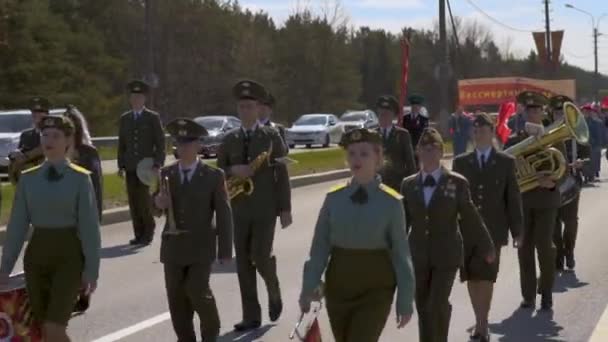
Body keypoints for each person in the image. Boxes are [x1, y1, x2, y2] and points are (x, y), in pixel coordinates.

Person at [299, 128, 414, 342]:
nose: (356, 159)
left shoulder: (392, 202)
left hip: (376, 289)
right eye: (351, 153)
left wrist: (405, 299)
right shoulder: (334, 199)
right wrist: (308, 286)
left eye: (364, 153)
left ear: (378, 157)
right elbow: (319, 248)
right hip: (339, 288)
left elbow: (401, 254)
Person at [0, 115, 101, 342]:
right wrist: (4, 268)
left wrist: (91, 271)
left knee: (54, 328)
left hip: (69, 261)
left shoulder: (79, 179)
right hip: (36, 260)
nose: (49, 140)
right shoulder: (28, 179)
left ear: (67, 141)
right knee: (43, 332)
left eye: (56, 136)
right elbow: (17, 227)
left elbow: (89, 229)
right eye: (45, 135)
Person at [401, 127, 495, 342]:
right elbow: (403, 222)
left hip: (447, 254)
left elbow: (470, 217)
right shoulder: (408, 185)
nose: (428, 152)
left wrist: (487, 246)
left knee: (436, 302)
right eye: (423, 148)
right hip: (418, 254)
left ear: (441, 152)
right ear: (418, 152)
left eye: (433, 148)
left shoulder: (457, 182)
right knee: (423, 304)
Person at [153, 118, 233, 342]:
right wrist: (158, 203)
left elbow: (224, 213)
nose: (183, 148)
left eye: (188, 143)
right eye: (179, 143)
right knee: (177, 301)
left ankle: (211, 330)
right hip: (173, 248)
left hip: (200, 247)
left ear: (198, 145)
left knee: (197, 290)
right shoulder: (166, 174)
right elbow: (156, 208)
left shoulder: (213, 176)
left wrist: (226, 250)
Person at [217, 79, 288, 331]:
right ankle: (251, 316)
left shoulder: (272, 136)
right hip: (238, 207)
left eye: (249, 106)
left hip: (265, 208)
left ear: (259, 108)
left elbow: (282, 174)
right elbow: (219, 171)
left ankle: (273, 286)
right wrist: (232, 169)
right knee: (243, 263)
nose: (245, 110)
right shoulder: (229, 139)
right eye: (241, 106)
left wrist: (285, 208)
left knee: (259, 255)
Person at [452, 113, 523, 342]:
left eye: (484, 129)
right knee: (472, 277)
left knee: (487, 276)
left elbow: (512, 198)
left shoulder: (505, 162)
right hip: (467, 230)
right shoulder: (461, 162)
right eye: (476, 130)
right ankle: (479, 318)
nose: (479, 133)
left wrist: (518, 231)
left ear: (492, 132)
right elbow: (454, 199)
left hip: (493, 230)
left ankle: (482, 324)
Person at [505, 91, 567, 310]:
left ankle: (547, 292)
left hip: (546, 201)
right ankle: (529, 295)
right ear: (524, 112)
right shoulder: (514, 140)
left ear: (543, 112)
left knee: (545, 247)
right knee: (524, 250)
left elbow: (563, 168)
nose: (534, 113)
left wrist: (552, 182)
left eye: (537, 110)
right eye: (530, 110)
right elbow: (506, 173)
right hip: (522, 202)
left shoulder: (552, 137)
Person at [117, 80, 166, 246]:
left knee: (144, 201)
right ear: (130, 99)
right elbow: (122, 143)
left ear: (144, 99)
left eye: (139, 97)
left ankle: (148, 232)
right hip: (130, 166)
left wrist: (158, 163)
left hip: (146, 167)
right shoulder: (125, 119)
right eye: (133, 97)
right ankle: (138, 233)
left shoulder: (152, 117)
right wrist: (120, 165)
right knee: (133, 202)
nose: (136, 99)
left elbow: (160, 142)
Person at [549, 96, 589, 271]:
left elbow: (586, 153)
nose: (559, 115)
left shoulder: (575, 130)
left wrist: (581, 162)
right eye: (556, 112)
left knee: (571, 221)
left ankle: (569, 250)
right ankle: (558, 255)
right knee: (553, 223)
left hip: (571, 183)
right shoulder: (544, 132)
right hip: (550, 185)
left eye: (561, 112)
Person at [259, 91, 293, 229]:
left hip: (271, 179)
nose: (262, 109)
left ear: (270, 110)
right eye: (259, 105)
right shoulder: (249, 128)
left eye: (265, 106)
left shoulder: (277, 129)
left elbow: (284, 152)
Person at [63, 105, 103, 220]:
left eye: (70, 129)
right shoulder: (57, 152)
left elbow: (96, 190)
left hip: (85, 213)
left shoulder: (89, 153)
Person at [375, 95, 416, 191]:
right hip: (377, 185)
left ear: (393, 116)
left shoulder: (402, 135)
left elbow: (410, 162)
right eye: (381, 114)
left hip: (398, 184)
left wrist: (412, 183)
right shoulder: (371, 135)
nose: (383, 117)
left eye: (387, 114)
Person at [8, 97, 50, 183]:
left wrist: (26, 156)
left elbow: (45, 149)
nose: (37, 115)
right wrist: (15, 154)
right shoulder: (26, 134)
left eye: (40, 112)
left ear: (46, 114)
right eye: (34, 112)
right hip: (26, 170)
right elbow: (21, 149)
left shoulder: (52, 133)